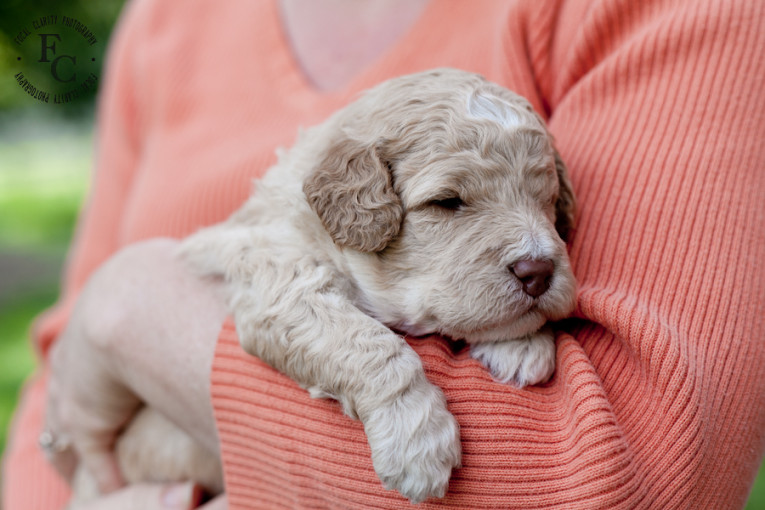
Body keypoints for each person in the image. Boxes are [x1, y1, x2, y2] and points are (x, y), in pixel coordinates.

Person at [3, 0, 765, 508]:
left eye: (546, 207)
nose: (539, 245)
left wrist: (133, 314)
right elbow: (58, 382)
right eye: (448, 202)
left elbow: (637, 472)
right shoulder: (167, 18)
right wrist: (78, 471)